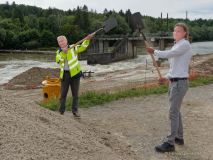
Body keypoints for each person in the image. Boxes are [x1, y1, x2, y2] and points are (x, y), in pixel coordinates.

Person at [146, 23, 192, 152]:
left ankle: (170, 143)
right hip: (174, 82)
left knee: (173, 112)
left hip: (180, 83)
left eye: (179, 31)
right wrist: (165, 77)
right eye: (174, 30)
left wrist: (154, 51)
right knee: (176, 111)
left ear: (184, 33)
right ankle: (179, 137)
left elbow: (169, 54)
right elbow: (175, 69)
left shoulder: (184, 44)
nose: (175, 32)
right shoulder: (177, 45)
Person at [56, 34, 93, 117]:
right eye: (59, 42)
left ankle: (75, 111)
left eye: (62, 41)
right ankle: (61, 111)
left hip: (75, 74)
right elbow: (58, 61)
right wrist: (64, 53)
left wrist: (87, 40)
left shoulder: (73, 47)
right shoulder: (58, 52)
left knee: (75, 94)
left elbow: (83, 47)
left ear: (66, 41)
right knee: (63, 94)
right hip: (65, 75)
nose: (61, 43)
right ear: (58, 43)